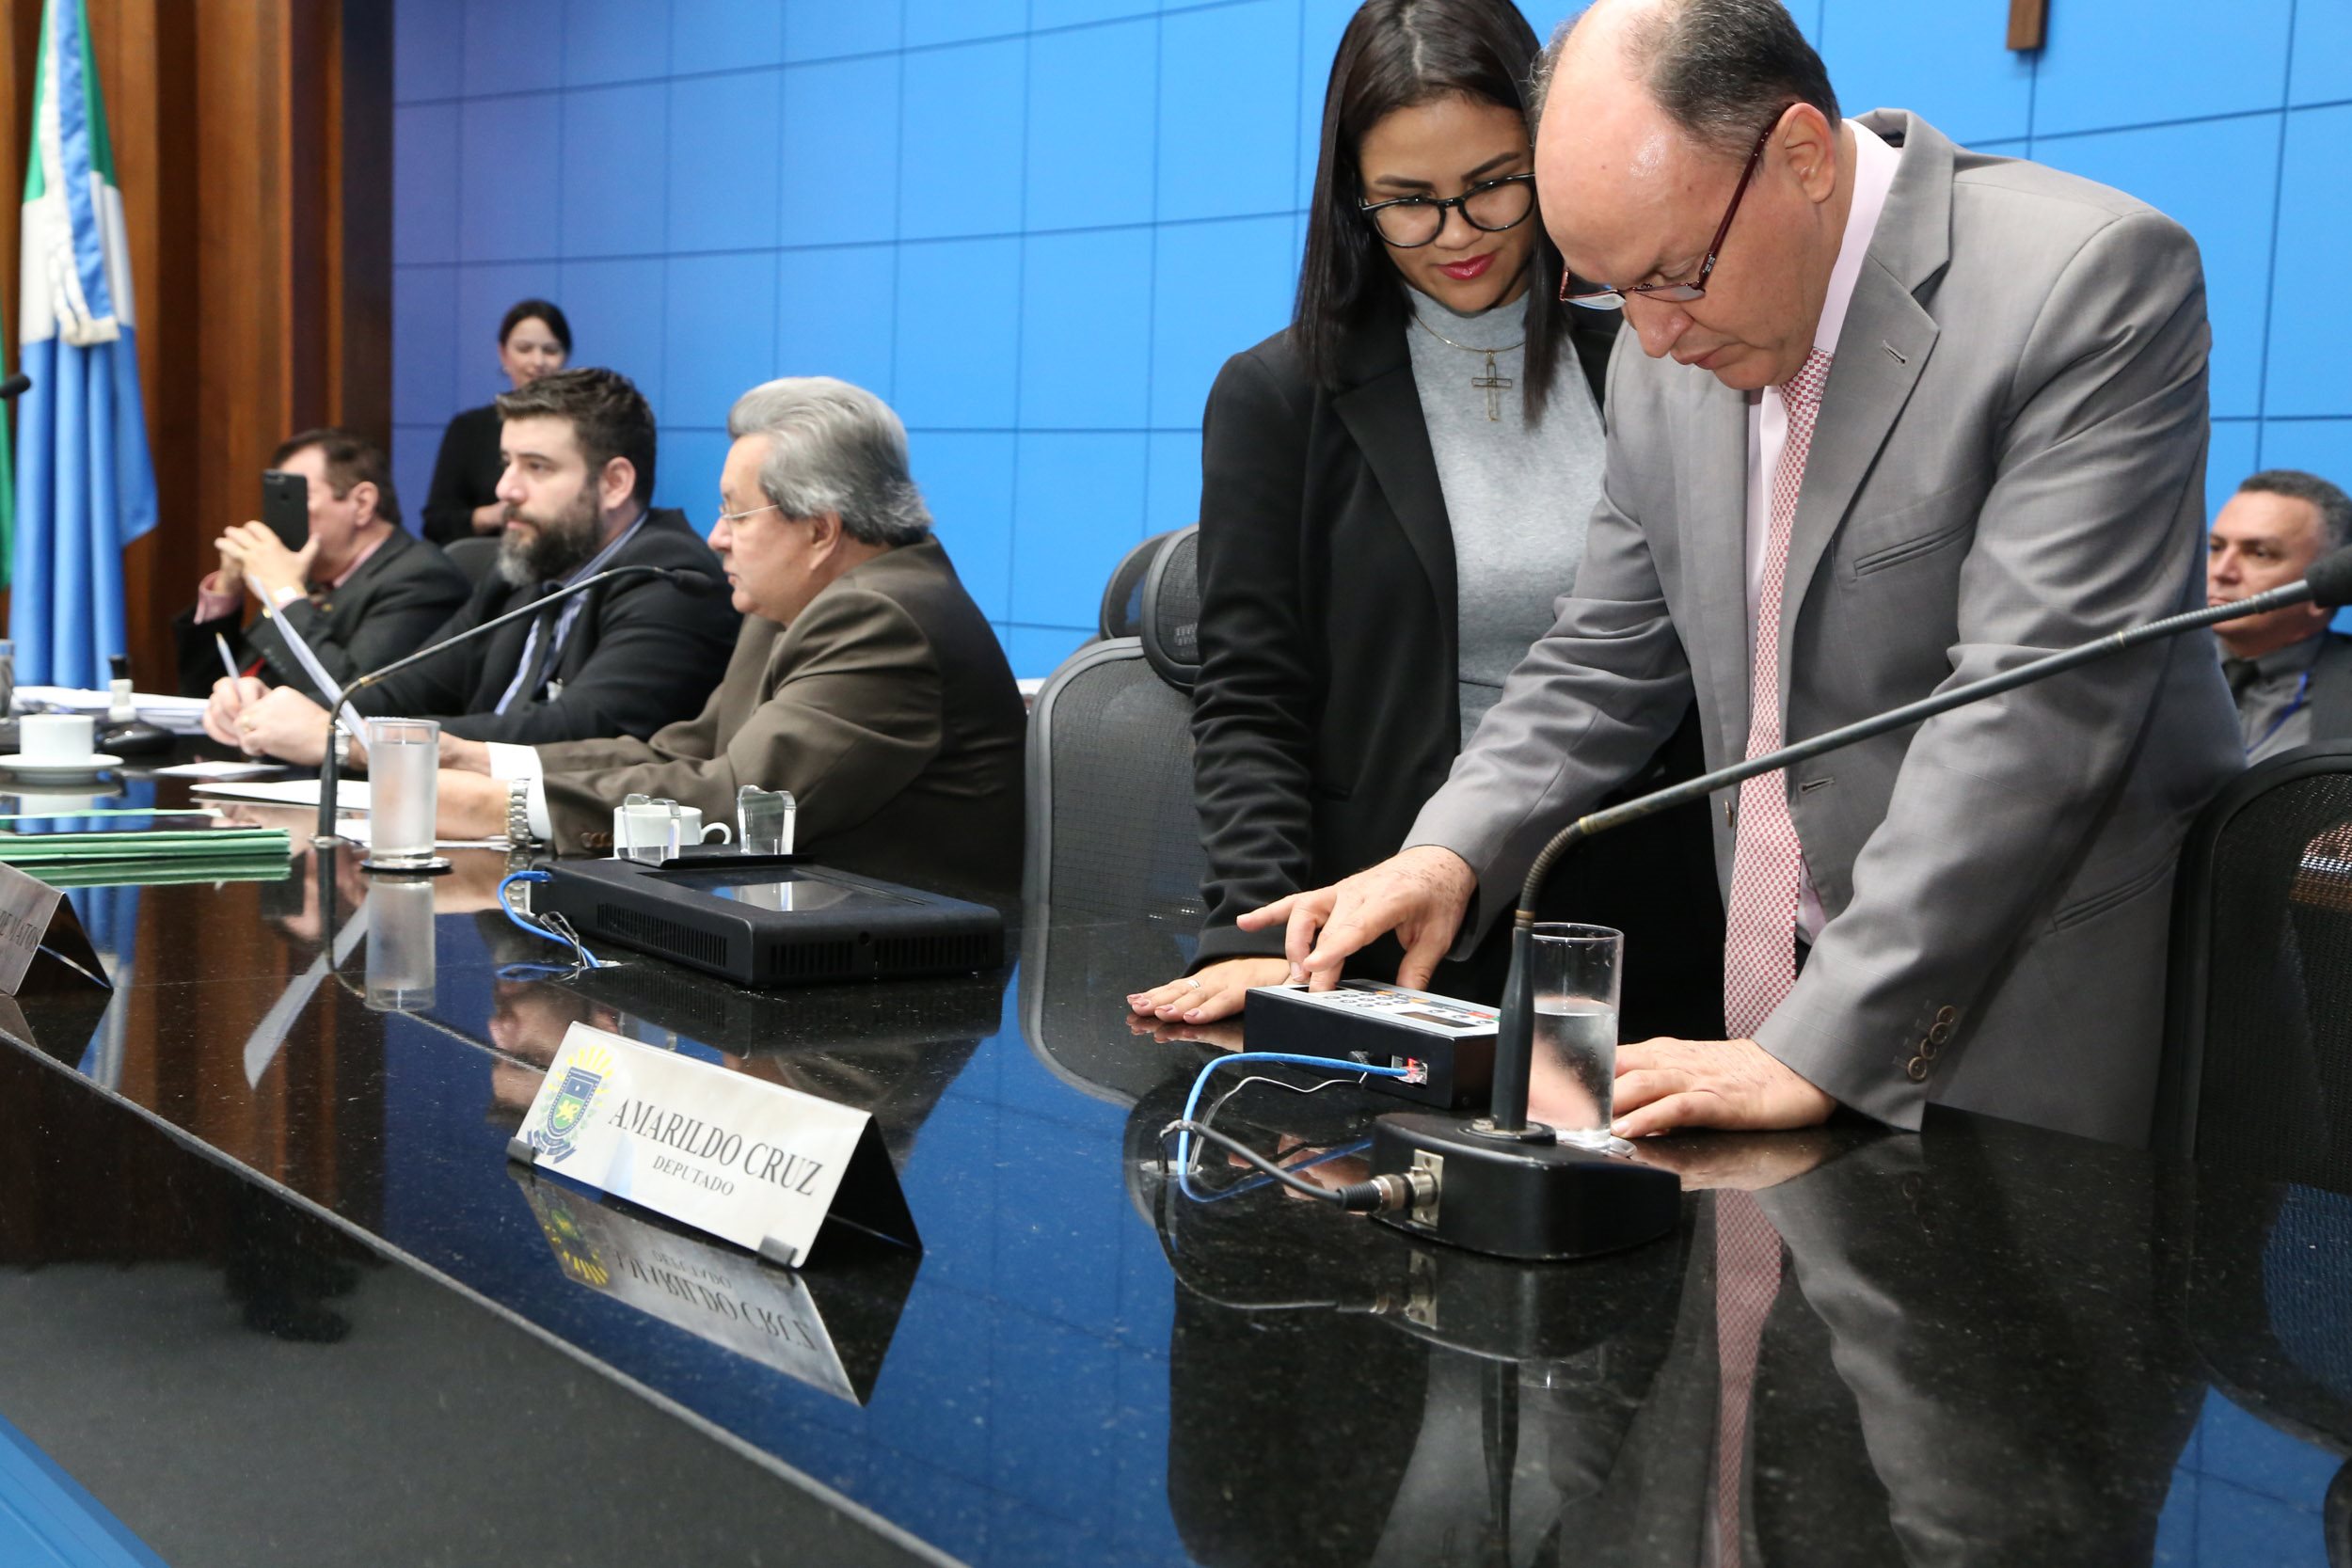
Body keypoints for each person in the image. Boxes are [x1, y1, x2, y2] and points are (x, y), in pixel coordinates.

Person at [1242, 0, 2242, 1148]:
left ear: (1801, 156)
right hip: (1760, 994)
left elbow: (2034, 711)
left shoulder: (2081, 284)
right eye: (1608, 290)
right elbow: (1602, 653)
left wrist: (1816, 1041)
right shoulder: (1670, 334)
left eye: (1674, 275)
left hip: (2014, 1009)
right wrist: (1450, 846)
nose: (1651, 338)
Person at [1126, 0, 1720, 1033]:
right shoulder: (1282, 396)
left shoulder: (1662, 350)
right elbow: (1253, 700)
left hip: (1651, 920)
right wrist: (1255, 931)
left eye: (1493, 184)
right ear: (1352, 197)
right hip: (1393, 934)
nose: (1456, 234)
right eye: (1407, 201)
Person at [433, 377, 1027, 898]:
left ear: (819, 530)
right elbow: (684, 755)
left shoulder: (882, 620)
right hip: (794, 931)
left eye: (736, 514)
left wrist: (493, 807)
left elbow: (741, 800)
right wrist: (480, 761)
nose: (716, 537)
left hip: (900, 967)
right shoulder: (792, 601)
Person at [210, 367, 739, 766]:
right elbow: (395, 692)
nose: (505, 489)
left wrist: (346, 740)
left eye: (537, 467)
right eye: (508, 463)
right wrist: (278, 710)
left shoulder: (670, 578)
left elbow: (575, 730)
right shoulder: (522, 570)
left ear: (615, 483)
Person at [170, 429, 469, 700]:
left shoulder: (422, 579)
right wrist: (225, 592)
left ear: (362, 503)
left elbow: (352, 701)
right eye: (278, 500)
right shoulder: (308, 573)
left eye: (295, 497)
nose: (279, 518)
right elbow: (199, 695)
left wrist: (284, 593)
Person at [2206, 468, 2352, 762]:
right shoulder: (2153, 667)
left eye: (2260, 553)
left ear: (2327, 584)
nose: (2221, 571)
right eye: (2216, 547)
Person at [421, 298, 570, 546]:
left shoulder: (579, 427)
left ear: (565, 356)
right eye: (524, 348)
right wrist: (495, 515)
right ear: (503, 353)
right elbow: (436, 523)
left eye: (550, 350)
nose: (538, 362)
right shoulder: (469, 428)